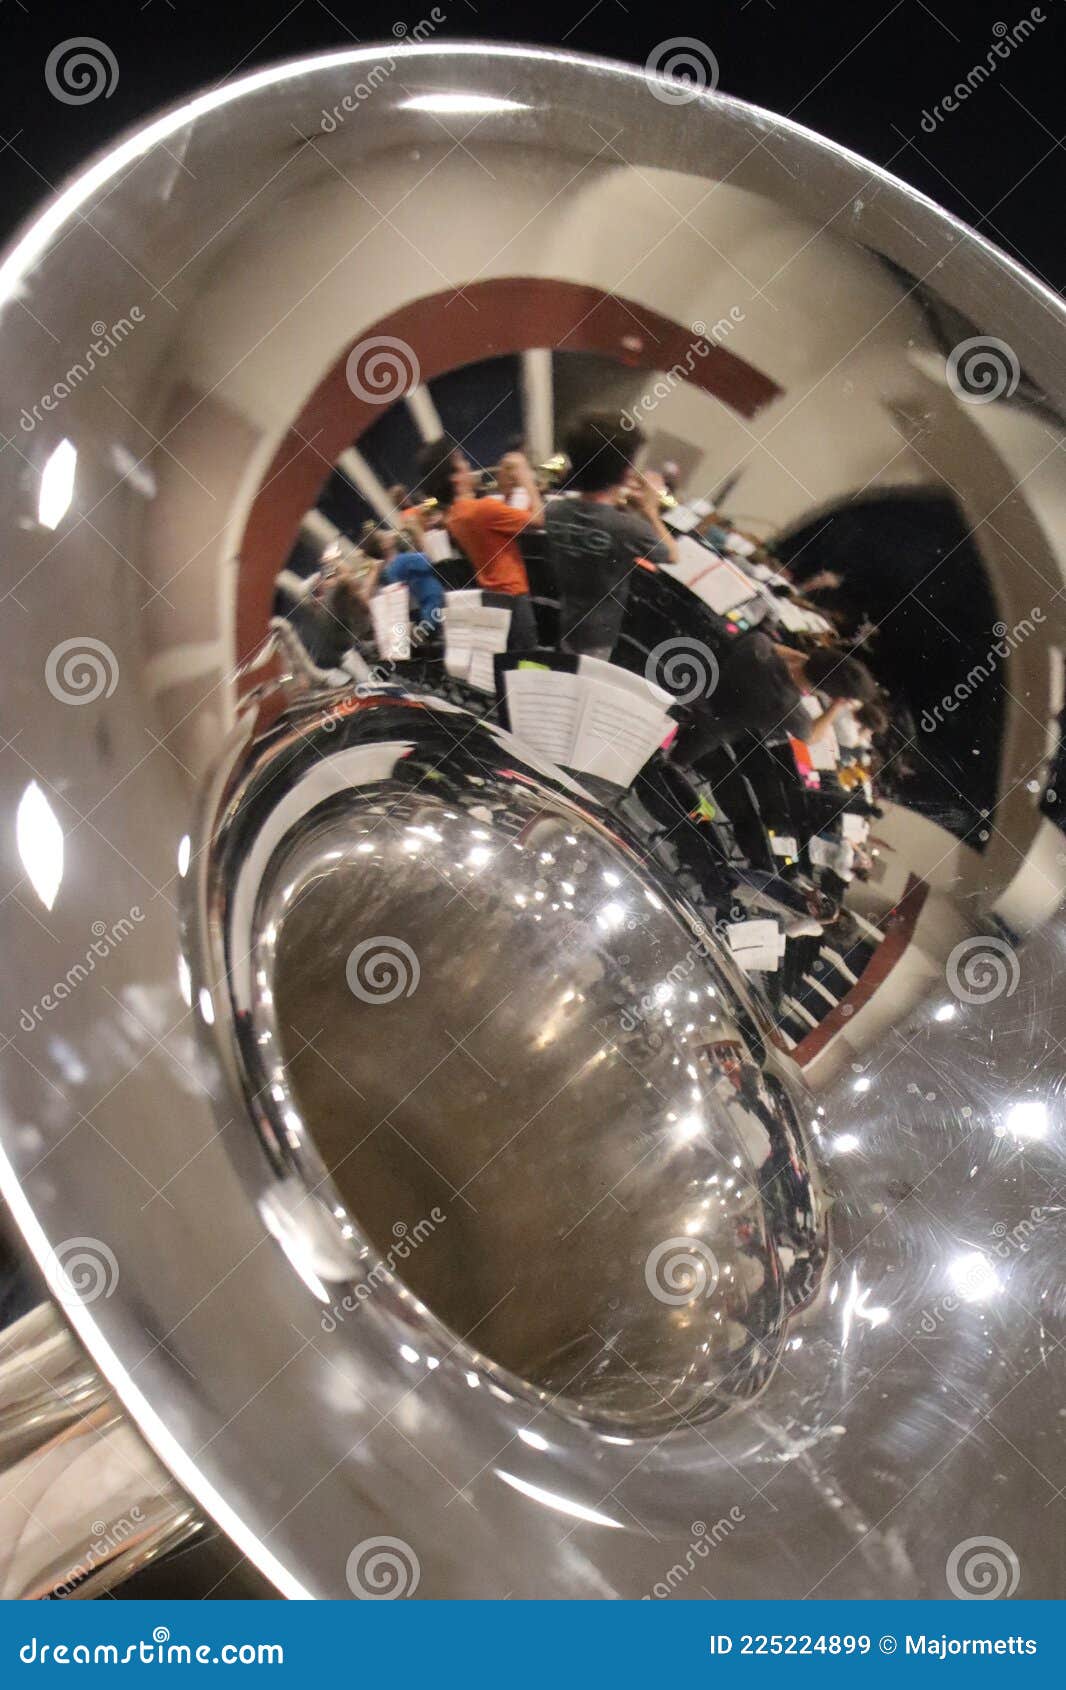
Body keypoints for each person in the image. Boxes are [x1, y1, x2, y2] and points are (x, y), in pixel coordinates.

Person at [544, 411, 677, 658]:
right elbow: (670, 554)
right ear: (625, 472)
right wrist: (650, 510)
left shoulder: (554, 511)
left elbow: (595, 518)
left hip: (566, 618)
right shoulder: (627, 528)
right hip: (599, 635)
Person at [413, 436, 543, 650]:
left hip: (494, 599)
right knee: (529, 659)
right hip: (514, 597)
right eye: (462, 461)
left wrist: (506, 490)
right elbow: (538, 519)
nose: (468, 465)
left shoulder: (454, 516)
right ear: (455, 478)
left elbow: (499, 526)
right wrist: (526, 476)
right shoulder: (481, 509)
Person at [677, 638, 879, 766]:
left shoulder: (757, 646)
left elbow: (773, 646)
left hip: (680, 698)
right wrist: (837, 705)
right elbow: (812, 737)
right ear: (831, 694)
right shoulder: (790, 711)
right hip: (693, 743)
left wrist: (812, 661)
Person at [360, 527, 444, 633]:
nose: (389, 533)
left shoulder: (389, 568)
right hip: (435, 603)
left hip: (426, 609)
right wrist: (416, 530)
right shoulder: (402, 560)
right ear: (384, 545)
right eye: (384, 534)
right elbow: (431, 558)